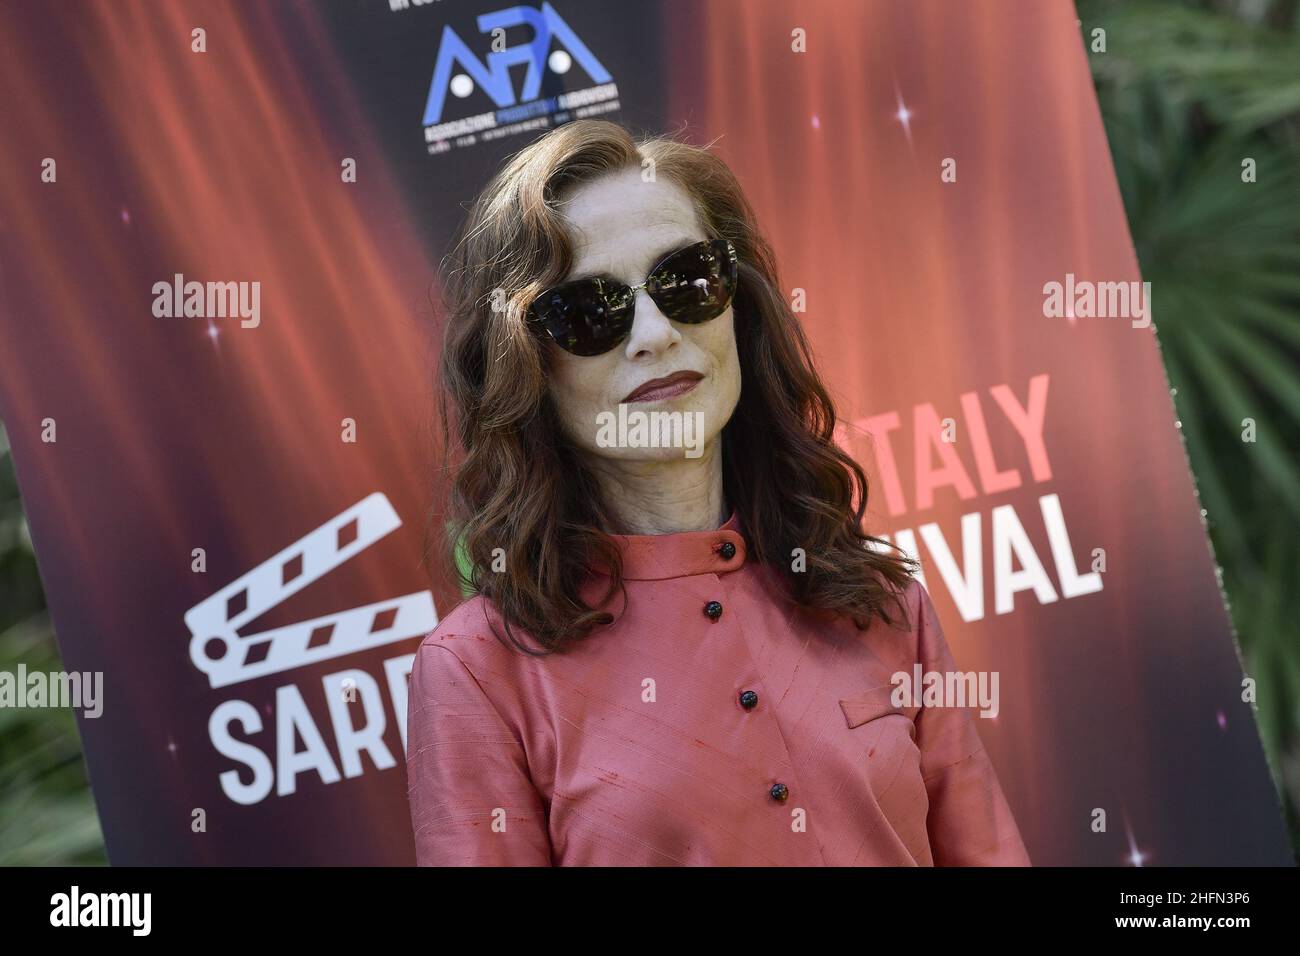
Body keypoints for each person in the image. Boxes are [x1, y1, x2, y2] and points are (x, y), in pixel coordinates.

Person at [406, 118, 1030, 866]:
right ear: (523, 370)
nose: (654, 333)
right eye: (588, 313)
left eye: (687, 280)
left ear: (739, 305)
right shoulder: (478, 671)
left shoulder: (882, 601)